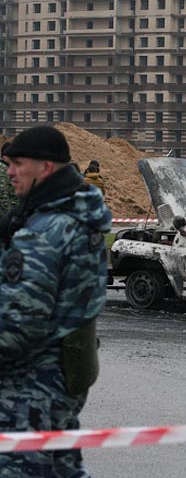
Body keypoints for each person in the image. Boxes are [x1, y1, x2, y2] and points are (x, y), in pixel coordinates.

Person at [0, 125, 111, 476]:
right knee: (62, 468)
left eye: (18, 163)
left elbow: (16, 325)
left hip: (31, 386)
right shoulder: (77, 214)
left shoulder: (45, 232)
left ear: (46, 168)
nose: (10, 172)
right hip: (64, 374)